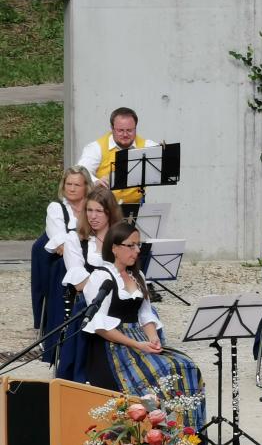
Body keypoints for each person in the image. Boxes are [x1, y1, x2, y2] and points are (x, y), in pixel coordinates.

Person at [81, 223, 205, 429]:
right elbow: (100, 326)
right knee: (162, 372)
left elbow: (145, 313)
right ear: (114, 247)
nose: (137, 251)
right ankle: (161, 429)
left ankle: (190, 432)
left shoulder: (137, 276)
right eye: (131, 246)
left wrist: (153, 338)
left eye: (138, 245)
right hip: (112, 345)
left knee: (185, 365)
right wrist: (138, 345)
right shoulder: (101, 277)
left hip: (138, 339)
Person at [47, 189, 124, 379]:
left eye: (99, 211)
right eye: (89, 210)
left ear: (110, 212)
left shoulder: (122, 239)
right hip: (90, 305)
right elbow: (80, 284)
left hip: (121, 302)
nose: (93, 216)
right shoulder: (75, 239)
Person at [32, 166, 92, 332]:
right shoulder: (56, 208)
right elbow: (61, 245)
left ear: (86, 186)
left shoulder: (93, 207)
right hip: (62, 261)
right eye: (68, 184)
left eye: (77, 185)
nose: (71, 189)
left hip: (89, 255)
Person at [77, 107, 158, 218]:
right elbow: (80, 171)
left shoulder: (147, 146)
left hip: (134, 209)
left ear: (135, 128)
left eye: (129, 130)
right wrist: (95, 181)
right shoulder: (96, 148)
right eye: (120, 130)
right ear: (112, 128)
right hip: (104, 209)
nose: (125, 135)